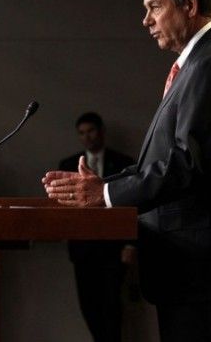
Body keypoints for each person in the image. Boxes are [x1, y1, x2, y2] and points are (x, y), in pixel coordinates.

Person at [43, 0, 211, 341]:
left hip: (203, 272)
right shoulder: (202, 61)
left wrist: (106, 194)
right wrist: (101, 185)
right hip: (195, 269)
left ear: (189, 6)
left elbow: (185, 165)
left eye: (154, 7)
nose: (146, 20)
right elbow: (165, 161)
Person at [59, 112, 135, 342]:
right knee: (89, 307)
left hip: (114, 249)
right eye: (82, 133)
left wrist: (132, 243)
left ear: (101, 131)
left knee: (111, 307)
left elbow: (135, 205)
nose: (87, 137)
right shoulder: (68, 165)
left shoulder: (123, 163)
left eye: (91, 131)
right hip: (82, 250)